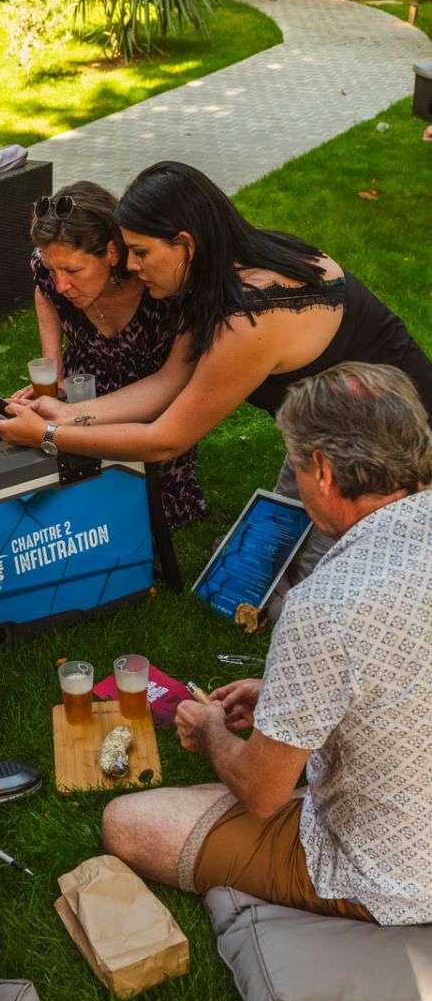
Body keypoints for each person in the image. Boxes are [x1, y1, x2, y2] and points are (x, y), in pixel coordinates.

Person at [0, 161, 432, 589]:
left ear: (185, 244)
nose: (132, 266)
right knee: (249, 570)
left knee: (304, 594)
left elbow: (166, 439)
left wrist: (48, 435)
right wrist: (64, 414)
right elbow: (168, 382)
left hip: (395, 458)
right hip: (328, 438)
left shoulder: (248, 318)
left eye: (141, 252)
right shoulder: (232, 267)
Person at [102, 363, 432, 926]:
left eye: (295, 464)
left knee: (128, 822)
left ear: (322, 470)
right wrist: (284, 693)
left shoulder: (324, 604)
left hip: (396, 877)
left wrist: (211, 730)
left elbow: (262, 792)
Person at [27, 181, 204, 529]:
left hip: (152, 403)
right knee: (81, 494)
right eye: (53, 269)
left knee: (148, 512)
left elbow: (170, 383)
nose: (60, 284)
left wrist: (55, 424)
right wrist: (53, 364)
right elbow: (44, 292)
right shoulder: (49, 265)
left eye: (73, 271)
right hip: (85, 386)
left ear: (111, 252)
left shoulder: (159, 282)